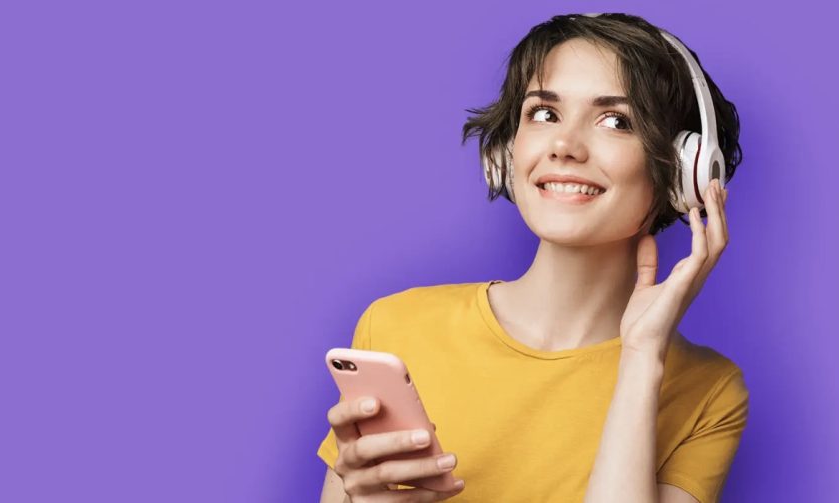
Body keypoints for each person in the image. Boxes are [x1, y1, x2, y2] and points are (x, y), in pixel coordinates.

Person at [317, 12, 747, 503]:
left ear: (684, 173)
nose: (564, 145)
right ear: (507, 148)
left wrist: (642, 357)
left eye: (616, 121)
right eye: (544, 113)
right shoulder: (395, 327)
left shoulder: (709, 392)